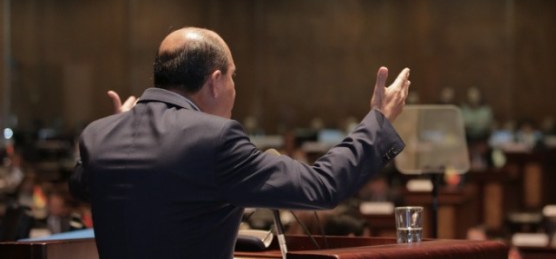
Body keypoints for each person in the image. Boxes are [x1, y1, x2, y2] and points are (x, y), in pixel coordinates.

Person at [70, 27, 411, 259]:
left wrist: (119, 126)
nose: (235, 87)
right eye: (233, 75)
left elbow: (85, 186)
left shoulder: (98, 134)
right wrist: (378, 122)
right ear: (216, 81)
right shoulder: (215, 139)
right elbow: (320, 186)